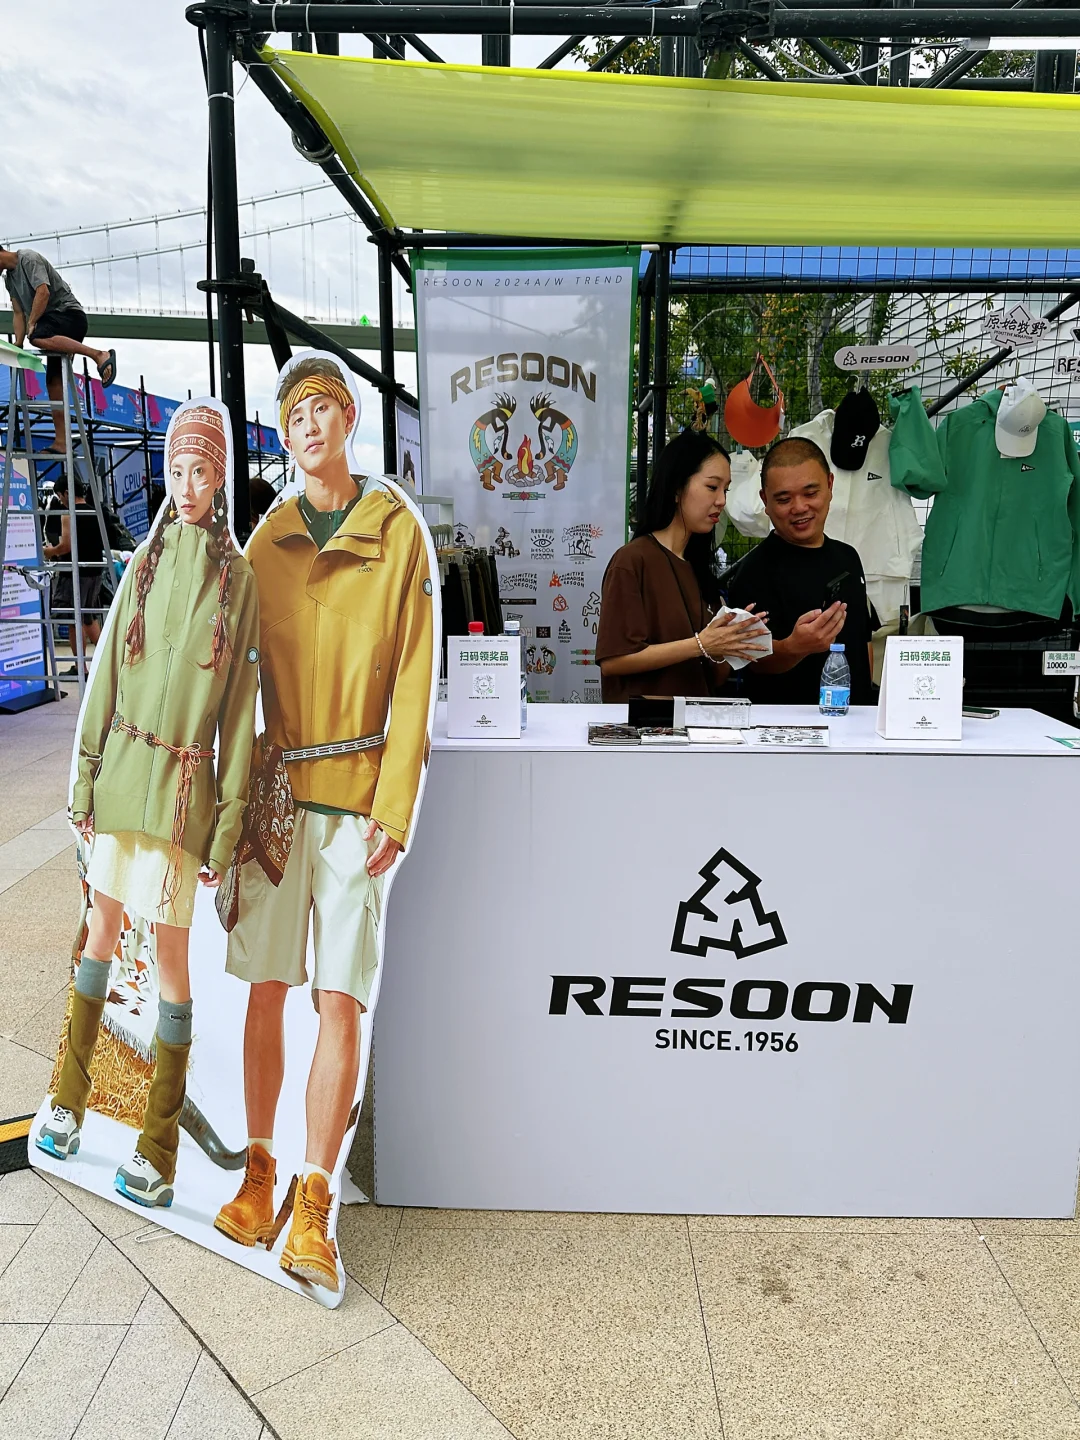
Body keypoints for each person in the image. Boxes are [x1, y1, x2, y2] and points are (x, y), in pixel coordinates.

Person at [215, 355, 434, 1294]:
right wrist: (220, 807)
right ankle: (259, 1170)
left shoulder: (397, 534)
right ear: (283, 433)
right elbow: (230, 685)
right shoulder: (262, 544)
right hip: (274, 799)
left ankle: (315, 1200)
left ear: (349, 420)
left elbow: (418, 675)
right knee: (264, 989)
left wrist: (394, 802)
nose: (308, 424)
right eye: (293, 413)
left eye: (323, 408)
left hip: (354, 801)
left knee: (338, 998)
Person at [36, 404, 260, 1209]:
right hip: (124, 774)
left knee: (169, 962)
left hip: (181, 796)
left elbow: (239, 714)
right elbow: (104, 679)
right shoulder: (142, 563)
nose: (187, 485)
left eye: (201, 471)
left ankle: (157, 1148)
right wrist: (85, 779)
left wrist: (228, 824)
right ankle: (67, 1101)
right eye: (176, 471)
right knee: (98, 935)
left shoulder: (239, 584)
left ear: (220, 477)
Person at [596, 429, 769, 703]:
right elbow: (614, 661)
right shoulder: (632, 561)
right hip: (646, 726)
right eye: (712, 487)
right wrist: (701, 644)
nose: (721, 500)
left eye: (725, 490)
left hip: (699, 723)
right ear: (677, 488)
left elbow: (716, 677)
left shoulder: (699, 570)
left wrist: (728, 643)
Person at [725, 436, 877, 705]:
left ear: (830, 485)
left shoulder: (848, 557)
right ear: (765, 501)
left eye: (810, 493)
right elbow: (750, 661)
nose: (799, 507)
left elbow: (863, 640)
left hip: (857, 720)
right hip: (787, 725)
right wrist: (794, 647)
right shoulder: (753, 573)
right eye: (784, 499)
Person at [0, 246, 116, 453]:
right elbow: (18, 312)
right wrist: (18, 343)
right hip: (51, 324)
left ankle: (98, 355)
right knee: (54, 382)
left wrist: (32, 324)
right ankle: (61, 442)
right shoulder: (9, 279)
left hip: (69, 316)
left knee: (38, 336)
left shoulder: (28, 258)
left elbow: (43, 292)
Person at [44, 476, 106, 676]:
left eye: (60, 496)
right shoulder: (94, 511)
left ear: (66, 493)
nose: (60, 500)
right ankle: (107, 662)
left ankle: (81, 668)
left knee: (74, 619)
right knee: (89, 617)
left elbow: (66, 546)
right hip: (94, 571)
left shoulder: (68, 514)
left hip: (75, 573)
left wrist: (48, 551)